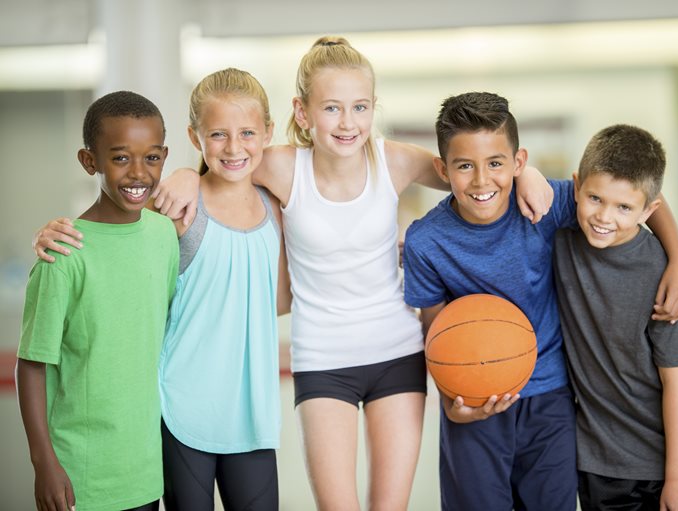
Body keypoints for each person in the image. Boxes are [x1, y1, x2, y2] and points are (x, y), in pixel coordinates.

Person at [123, 36, 551, 511]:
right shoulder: (284, 167)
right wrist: (183, 174)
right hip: (322, 359)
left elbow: (470, 173)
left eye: (360, 107)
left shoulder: (393, 160)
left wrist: (526, 173)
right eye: (331, 108)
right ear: (302, 113)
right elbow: (227, 157)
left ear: (372, 109)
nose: (348, 123)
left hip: (396, 352)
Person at [401, 92, 678, 510]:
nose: (482, 181)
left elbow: (634, 195)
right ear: (442, 169)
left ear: (518, 163)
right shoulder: (425, 241)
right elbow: (434, 330)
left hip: (551, 398)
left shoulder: (544, 204)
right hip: (475, 399)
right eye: (465, 166)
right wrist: (453, 404)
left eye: (496, 164)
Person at [32, 68, 291, 510]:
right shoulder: (174, 208)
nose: (233, 146)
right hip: (179, 408)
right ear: (196, 138)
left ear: (267, 132)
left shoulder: (276, 206)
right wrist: (53, 234)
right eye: (218, 134)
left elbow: (280, 301)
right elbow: (116, 220)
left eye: (247, 132)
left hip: (251, 411)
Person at [16, 91, 179, 511]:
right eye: (121, 158)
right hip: (80, 472)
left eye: (152, 158)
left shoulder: (164, 236)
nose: (138, 173)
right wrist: (44, 463)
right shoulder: (63, 254)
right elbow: (32, 365)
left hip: (145, 467)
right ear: (90, 162)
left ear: (164, 155)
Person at [553, 124, 678, 510]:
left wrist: (677, 479)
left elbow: (677, 382)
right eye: (595, 198)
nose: (604, 216)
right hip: (603, 460)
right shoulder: (561, 231)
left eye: (624, 207)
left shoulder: (662, 273)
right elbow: (506, 180)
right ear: (576, 186)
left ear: (648, 211)